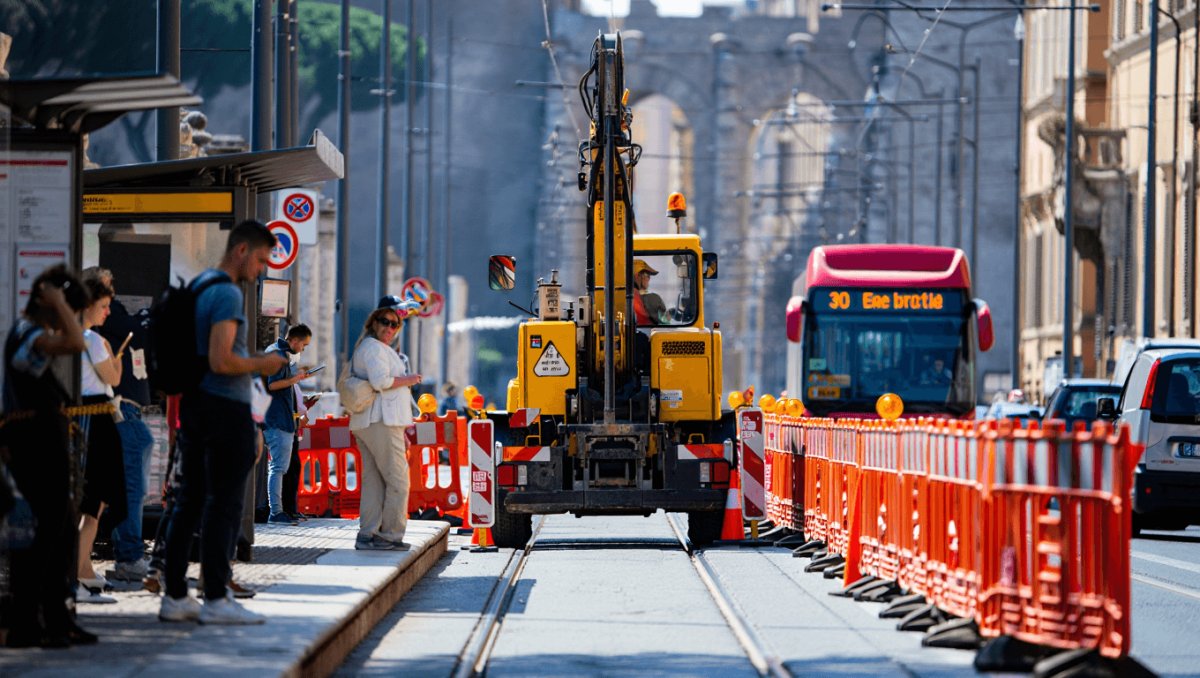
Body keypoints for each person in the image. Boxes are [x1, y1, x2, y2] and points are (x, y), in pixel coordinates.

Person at [158, 220, 288, 626]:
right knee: (225, 502)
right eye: (261, 260)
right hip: (224, 408)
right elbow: (222, 359)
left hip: (195, 404)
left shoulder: (200, 285)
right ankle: (216, 597)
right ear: (242, 250)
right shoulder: (228, 293)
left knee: (190, 500)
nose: (262, 270)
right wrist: (264, 363)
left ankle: (174, 596)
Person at [3, 265, 96, 647]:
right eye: (69, 310)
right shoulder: (29, 335)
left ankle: (56, 619)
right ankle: (27, 622)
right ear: (49, 302)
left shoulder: (29, 334)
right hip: (34, 443)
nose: (70, 319)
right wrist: (59, 302)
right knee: (45, 531)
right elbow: (77, 344)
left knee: (59, 530)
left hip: (42, 440)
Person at [86, 268, 156, 584]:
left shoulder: (96, 332)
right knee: (127, 486)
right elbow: (114, 376)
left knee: (123, 488)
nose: (110, 301)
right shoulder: (94, 334)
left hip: (119, 410)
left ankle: (124, 554)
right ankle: (128, 556)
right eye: (105, 296)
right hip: (115, 409)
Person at [349, 301, 421, 550]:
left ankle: (367, 534)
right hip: (381, 421)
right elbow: (381, 381)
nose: (390, 328)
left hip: (373, 421)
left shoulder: (372, 347)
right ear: (373, 323)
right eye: (385, 322)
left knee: (374, 482)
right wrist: (409, 379)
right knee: (399, 482)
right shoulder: (374, 348)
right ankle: (389, 535)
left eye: (394, 324)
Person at [75, 277, 129, 605]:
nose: (108, 312)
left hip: (79, 418)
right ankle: (76, 575)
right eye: (104, 305)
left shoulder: (66, 336)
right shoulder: (93, 340)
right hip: (97, 418)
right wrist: (115, 358)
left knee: (87, 502)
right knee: (93, 502)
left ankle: (83, 569)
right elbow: (113, 378)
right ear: (88, 305)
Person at [263, 324, 312, 525]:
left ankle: (279, 511)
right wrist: (295, 379)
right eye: (303, 345)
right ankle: (276, 513)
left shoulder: (279, 354)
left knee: (279, 468)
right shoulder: (279, 356)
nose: (303, 349)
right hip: (278, 420)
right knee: (278, 468)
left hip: (280, 420)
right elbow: (273, 384)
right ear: (294, 340)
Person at [633, 259, 668, 325]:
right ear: (638, 276)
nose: (649, 278)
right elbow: (665, 322)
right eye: (647, 275)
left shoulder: (632, 294)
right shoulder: (653, 298)